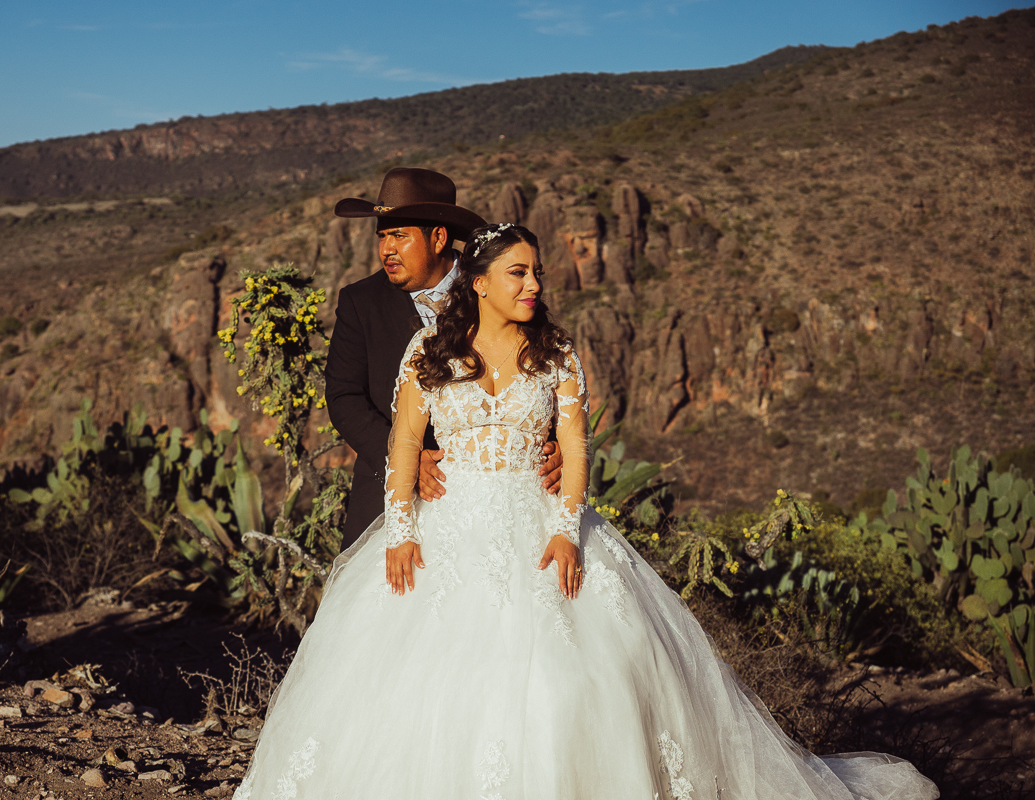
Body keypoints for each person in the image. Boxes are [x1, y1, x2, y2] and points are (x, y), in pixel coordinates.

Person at [235, 224, 939, 800]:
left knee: (566, 682)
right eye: (518, 273)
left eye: (537, 273)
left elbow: (576, 446)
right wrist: (402, 530)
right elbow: (404, 443)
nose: (534, 285)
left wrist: (567, 534)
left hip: (539, 524)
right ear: (477, 282)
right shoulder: (429, 353)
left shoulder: (557, 354)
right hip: (446, 529)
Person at [325, 167, 563, 556]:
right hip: (391, 498)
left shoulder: (498, 287)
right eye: (382, 236)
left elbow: (545, 373)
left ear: (437, 238)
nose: (387, 249)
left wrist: (557, 446)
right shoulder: (360, 302)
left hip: (504, 501)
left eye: (399, 236)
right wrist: (402, 459)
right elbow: (344, 396)